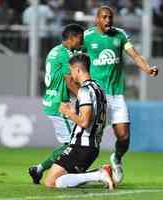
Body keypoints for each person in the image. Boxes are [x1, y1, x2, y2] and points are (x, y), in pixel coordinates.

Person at [83, 5, 159, 184]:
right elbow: (74, 59)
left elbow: (136, 55)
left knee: (124, 136)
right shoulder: (87, 37)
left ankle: (116, 158)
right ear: (97, 19)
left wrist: (148, 69)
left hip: (117, 95)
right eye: (104, 17)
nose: (108, 20)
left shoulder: (120, 35)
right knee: (90, 137)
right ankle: (80, 171)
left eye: (110, 17)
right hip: (97, 96)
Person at [44, 53, 114, 189]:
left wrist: (69, 113)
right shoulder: (99, 89)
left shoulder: (85, 90)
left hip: (80, 146)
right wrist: (74, 111)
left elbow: (84, 122)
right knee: (63, 180)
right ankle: (101, 173)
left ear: (77, 70)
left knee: (51, 182)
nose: (71, 75)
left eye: (71, 71)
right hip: (91, 146)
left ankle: (99, 174)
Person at [28, 24, 83, 184]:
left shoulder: (55, 51)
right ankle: (42, 169)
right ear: (71, 38)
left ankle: (40, 169)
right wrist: (86, 97)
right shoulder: (65, 54)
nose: (82, 42)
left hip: (52, 100)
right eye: (80, 38)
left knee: (73, 142)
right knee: (72, 144)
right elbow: (69, 82)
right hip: (60, 104)